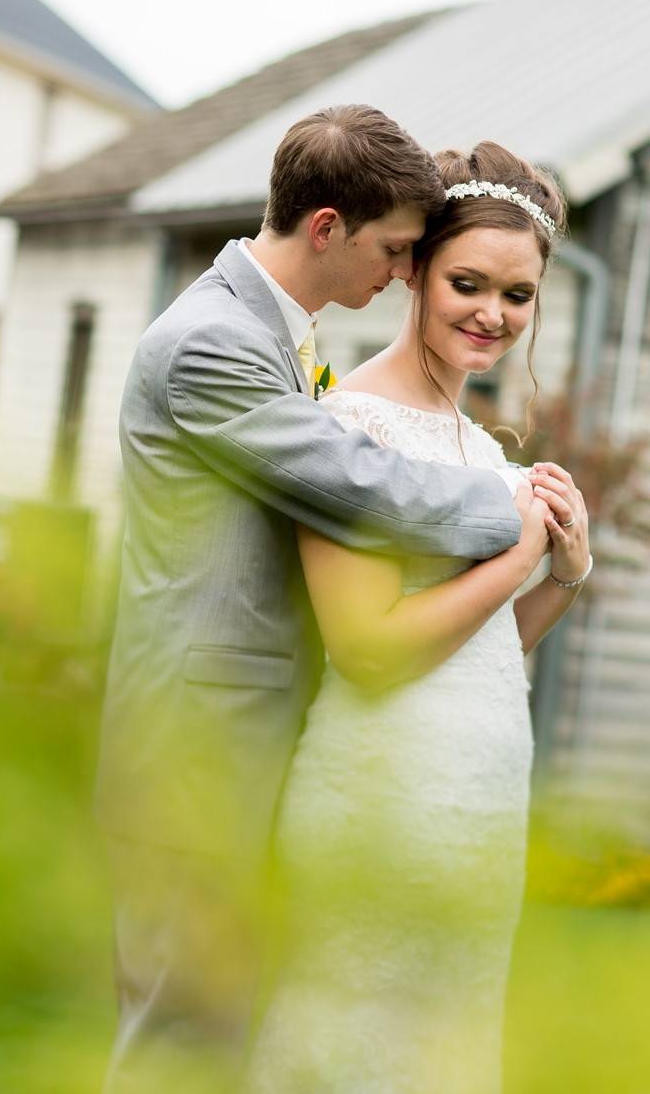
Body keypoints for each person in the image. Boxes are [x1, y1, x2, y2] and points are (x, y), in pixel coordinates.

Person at [97, 106, 561, 1091]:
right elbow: (362, 481)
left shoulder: (276, 338)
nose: (400, 271)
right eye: (400, 250)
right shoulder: (214, 345)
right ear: (326, 227)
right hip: (201, 749)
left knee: (216, 1037)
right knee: (175, 1047)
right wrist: (518, 517)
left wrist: (557, 561)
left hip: (272, 742)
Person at [244, 142, 587, 1094]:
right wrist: (518, 554)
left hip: (479, 799)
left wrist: (563, 576)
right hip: (378, 793)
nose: (493, 314)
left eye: (517, 296)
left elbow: (478, 650)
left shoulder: (482, 445)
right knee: (348, 1046)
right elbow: (368, 652)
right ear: (415, 272)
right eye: (468, 282)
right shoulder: (348, 424)